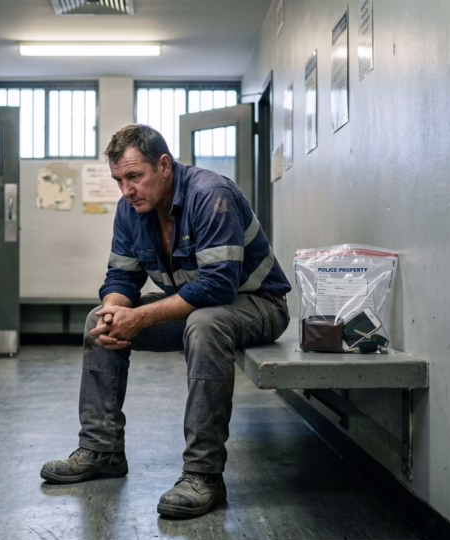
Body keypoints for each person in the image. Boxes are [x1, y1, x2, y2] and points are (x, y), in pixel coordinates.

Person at [40, 124, 292, 519]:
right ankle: (102, 450)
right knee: (98, 321)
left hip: (259, 303)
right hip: (198, 306)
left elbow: (218, 286)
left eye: (134, 177)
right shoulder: (131, 210)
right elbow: (122, 277)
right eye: (119, 180)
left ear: (164, 165)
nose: (127, 190)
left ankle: (204, 474)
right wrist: (114, 311)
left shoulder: (212, 195)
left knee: (204, 325)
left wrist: (139, 316)